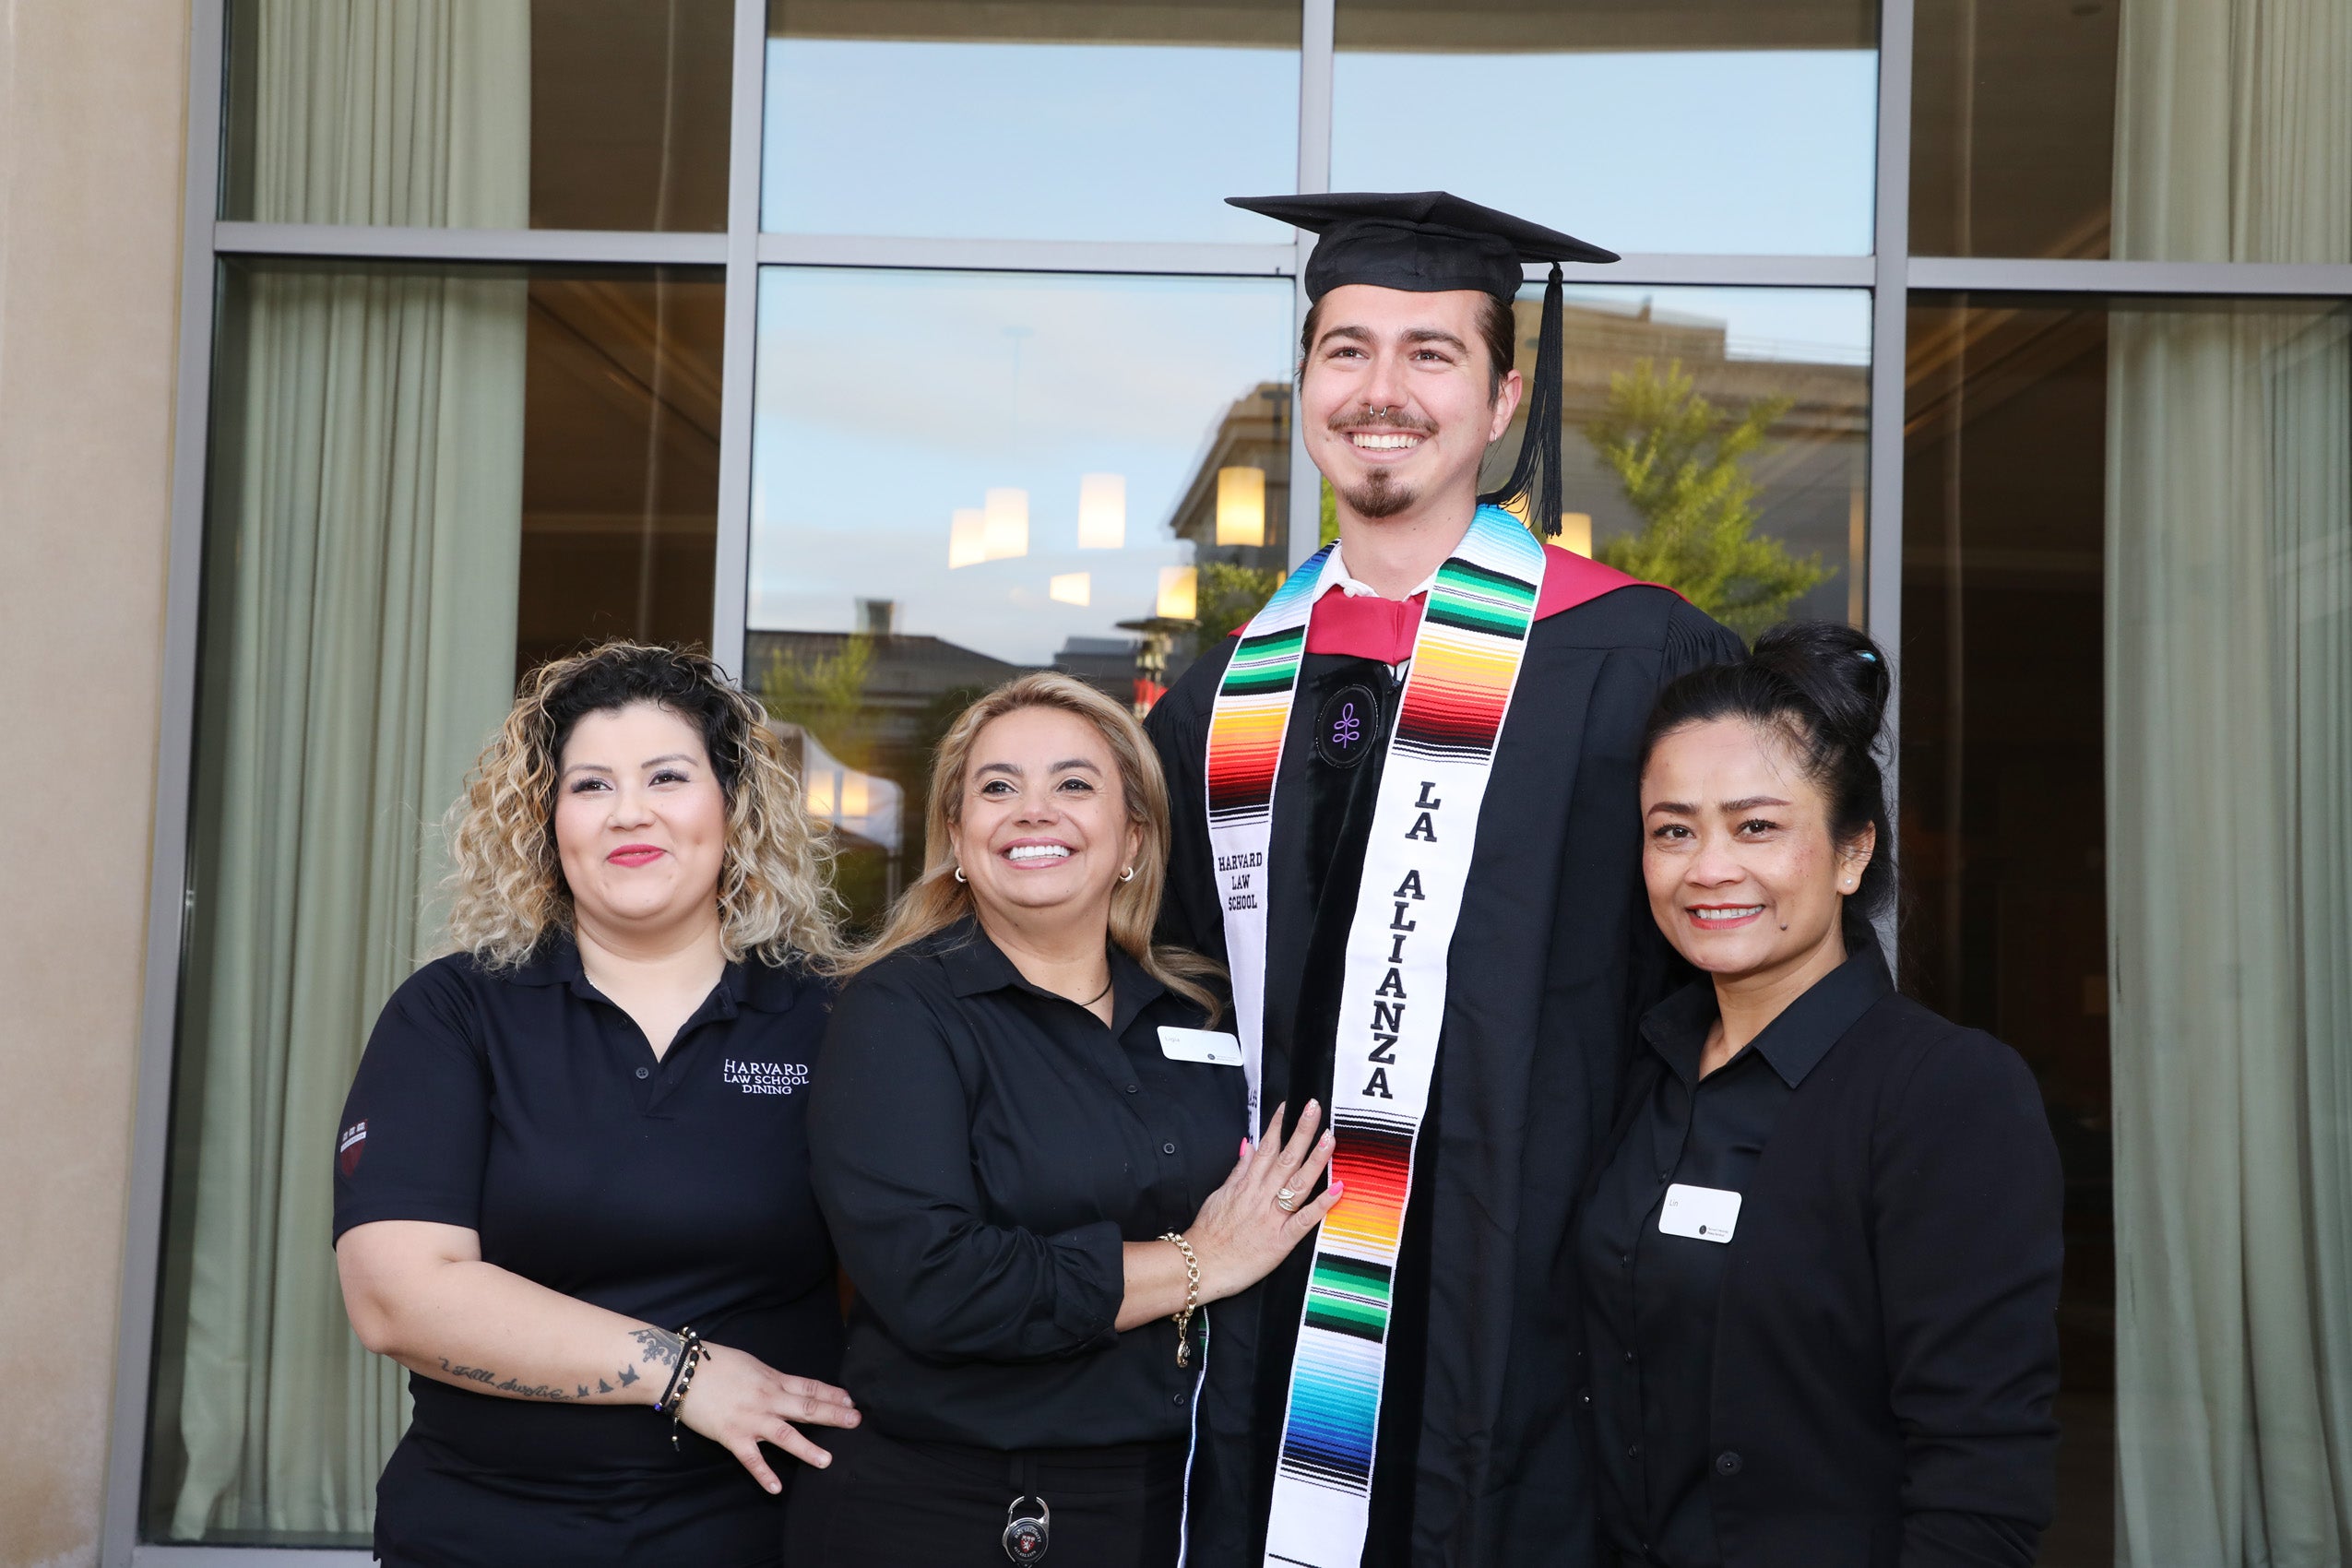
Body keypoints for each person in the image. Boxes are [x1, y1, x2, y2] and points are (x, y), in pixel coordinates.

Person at [1146, 191, 1746, 1567]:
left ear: (1501, 398)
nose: (1380, 390)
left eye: (1430, 352)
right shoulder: (1221, 697)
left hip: (1534, 1284)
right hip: (1270, 1287)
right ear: (1305, 387)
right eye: (1345, 349)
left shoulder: (1638, 661)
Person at [790, 673, 1344, 1568]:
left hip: (1187, 1499)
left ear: (1132, 837)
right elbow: (938, 1280)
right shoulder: (897, 1011)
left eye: (1073, 784)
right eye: (997, 786)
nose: (1032, 811)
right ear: (958, 838)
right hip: (967, 1511)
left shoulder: (1202, 1013)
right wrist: (1202, 1261)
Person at [331, 643, 861, 1568]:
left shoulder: (830, 1018)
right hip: (483, 1529)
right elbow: (396, 1294)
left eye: (667, 775)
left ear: (731, 806)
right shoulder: (455, 1010)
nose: (630, 811)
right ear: (548, 821)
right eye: (590, 785)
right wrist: (682, 1373)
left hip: (762, 1531)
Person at [1577, 623, 2062, 1568]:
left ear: (1851, 853)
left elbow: (1982, 1484)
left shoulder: (1944, 1094)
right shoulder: (1644, 1070)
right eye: (1673, 829)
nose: (1708, 867)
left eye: (1756, 825)